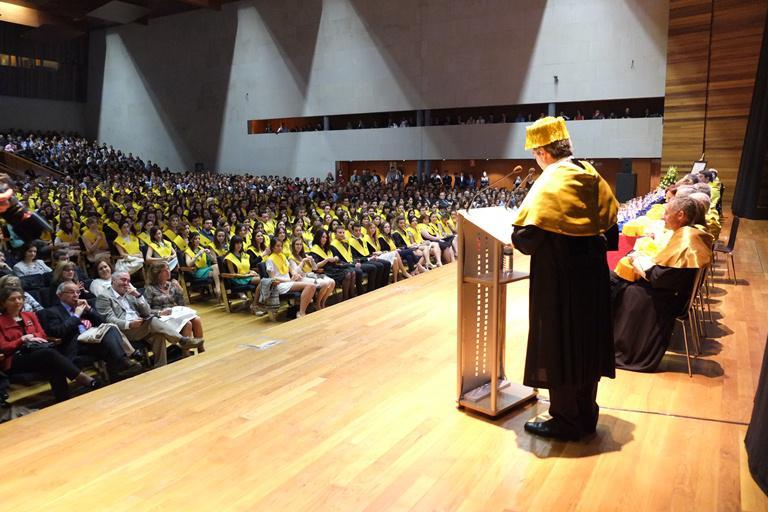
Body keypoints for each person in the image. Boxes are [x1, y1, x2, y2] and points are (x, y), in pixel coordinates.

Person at [511, 116, 619, 441]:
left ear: (543, 151)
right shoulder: (590, 173)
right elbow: (611, 230)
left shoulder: (550, 181)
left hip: (559, 282)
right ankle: (586, 414)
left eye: (534, 153)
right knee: (586, 343)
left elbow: (525, 239)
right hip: (593, 279)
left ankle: (565, 419)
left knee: (560, 343)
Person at [612, 197, 713, 372]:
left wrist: (639, 261)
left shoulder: (687, 240)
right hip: (671, 290)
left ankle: (623, 350)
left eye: (667, 213)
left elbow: (660, 277)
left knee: (622, 287)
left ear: (680, 215)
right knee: (616, 281)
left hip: (668, 297)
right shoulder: (691, 233)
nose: (663, 217)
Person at [0, 287, 100, 402]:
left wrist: (33, 337)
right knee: (49, 354)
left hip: (36, 353)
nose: (17, 301)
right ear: (3, 303)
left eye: (20, 298)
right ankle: (82, 378)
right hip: (14, 359)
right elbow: (3, 347)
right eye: (12, 299)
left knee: (53, 364)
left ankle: (64, 401)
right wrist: (22, 340)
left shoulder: (29, 315)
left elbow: (42, 334)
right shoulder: (1, 321)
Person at [39, 281, 142, 381]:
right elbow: (58, 332)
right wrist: (76, 315)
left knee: (110, 329)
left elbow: (101, 322)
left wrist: (89, 309)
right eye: (71, 292)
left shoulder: (82, 306)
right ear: (60, 295)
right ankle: (123, 363)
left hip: (92, 340)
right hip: (76, 345)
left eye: (77, 292)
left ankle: (119, 373)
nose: (76, 295)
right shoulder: (51, 312)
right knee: (109, 342)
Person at [95, 271, 200, 367]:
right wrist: (129, 324)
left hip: (140, 326)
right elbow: (110, 319)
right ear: (113, 281)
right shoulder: (104, 297)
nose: (126, 283)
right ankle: (182, 340)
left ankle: (161, 366)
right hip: (123, 331)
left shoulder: (130, 294)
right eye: (123, 280)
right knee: (152, 320)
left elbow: (146, 312)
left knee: (158, 335)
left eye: (128, 280)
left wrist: (138, 295)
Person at [143, 262, 204, 353]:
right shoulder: (150, 289)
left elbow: (182, 304)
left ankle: (201, 348)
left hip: (174, 314)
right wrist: (160, 312)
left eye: (168, 268)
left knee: (197, 319)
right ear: (157, 274)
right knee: (187, 324)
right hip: (161, 318)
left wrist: (180, 291)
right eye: (165, 270)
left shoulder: (172, 285)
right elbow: (145, 310)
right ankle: (185, 353)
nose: (168, 271)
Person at [265, 238, 316, 318]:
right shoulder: (269, 260)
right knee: (310, 286)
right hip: (280, 285)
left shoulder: (283, 256)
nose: (280, 248)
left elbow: (291, 270)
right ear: (272, 247)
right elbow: (273, 278)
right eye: (277, 246)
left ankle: (301, 310)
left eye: (281, 246)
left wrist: (295, 274)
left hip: (289, 282)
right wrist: (289, 280)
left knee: (312, 286)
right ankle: (301, 312)